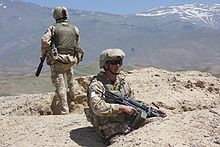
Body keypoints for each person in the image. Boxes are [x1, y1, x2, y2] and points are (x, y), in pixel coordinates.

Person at [85, 48, 166, 145]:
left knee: (157, 122)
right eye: (114, 62)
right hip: (109, 126)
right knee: (122, 143)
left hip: (127, 122)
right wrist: (121, 108)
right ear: (105, 65)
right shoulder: (97, 85)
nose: (118, 65)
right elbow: (97, 108)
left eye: (119, 62)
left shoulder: (122, 83)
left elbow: (134, 101)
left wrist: (152, 110)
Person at [41, 6, 83, 115]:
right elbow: (77, 44)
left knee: (60, 85)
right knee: (71, 82)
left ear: (55, 15)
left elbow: (44, 41)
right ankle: (76, 104)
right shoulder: (74, 28)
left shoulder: (53, 28)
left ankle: (65, 110)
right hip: (71, 60)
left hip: (58, 61)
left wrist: (45, 52)